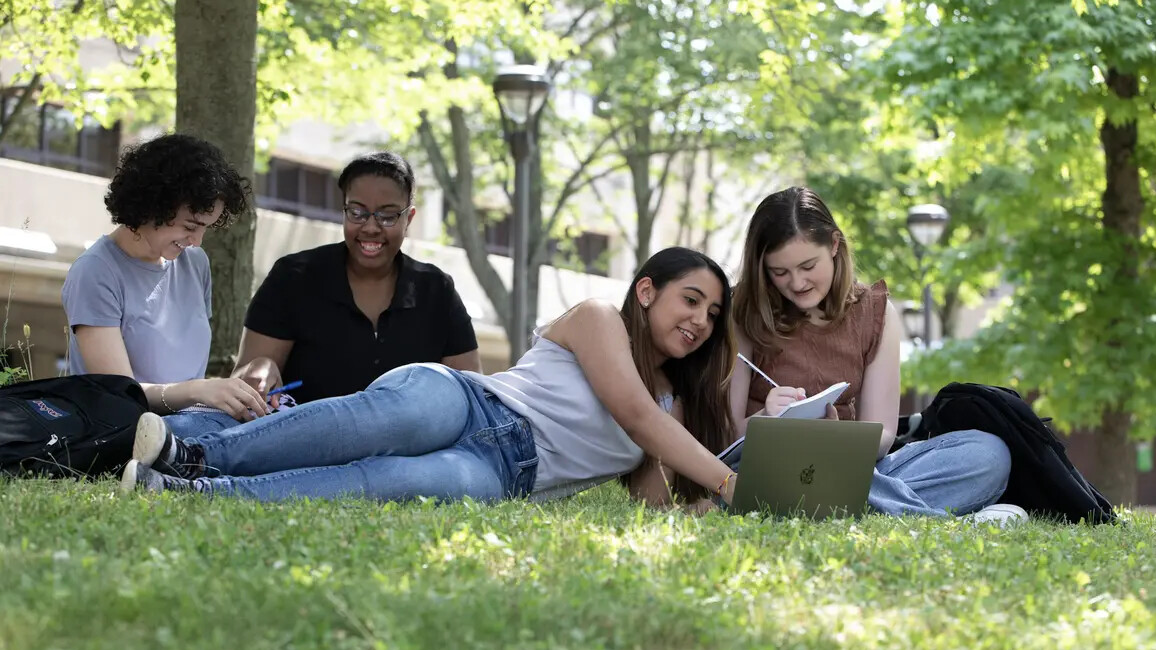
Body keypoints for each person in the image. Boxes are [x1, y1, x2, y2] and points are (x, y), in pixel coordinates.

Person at [120, 247, 740, 511]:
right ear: (647, 291)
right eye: (690, 301)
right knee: (360, 428)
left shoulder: (674, 406)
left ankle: (189, 492)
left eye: (713, 315)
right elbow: (635, 416)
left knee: (381, 481)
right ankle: (193, 451)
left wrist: (712, 500)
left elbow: (650, 500)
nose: (700, 321)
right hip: (469, 403)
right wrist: (728, 479)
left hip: (506, 474)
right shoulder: (599, 317)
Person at [730, 186, 1018, 519]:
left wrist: (836, 437)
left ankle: (832, 503)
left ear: (835, 245)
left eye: (808, 266)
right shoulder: (744, 312)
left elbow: (881, 434)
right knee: (772, 477)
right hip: (766, 465)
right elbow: (725, 434)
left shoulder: (876, 312)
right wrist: (768, 420)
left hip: (855, 469)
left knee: (989, 453)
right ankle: (938, 519)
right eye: (779, 272)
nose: (797, 283)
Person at [167, 151, 483, 438]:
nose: (370, 228)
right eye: (357, 212)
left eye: (387, 216)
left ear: (409, 218)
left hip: (405, 444)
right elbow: (248, 386)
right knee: (204, 422)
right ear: (343, 210)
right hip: (300, 435)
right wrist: (261, 368)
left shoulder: (436, 290)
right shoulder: (294, 277)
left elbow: (471, 396)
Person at [62, 133, 269, 425]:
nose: (196, 241)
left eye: (205, 228)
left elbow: (185, 373)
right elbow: (119, 394)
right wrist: (199, 391)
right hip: (132, 430)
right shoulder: (95, 272)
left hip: (194, 422)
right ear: (152, 207)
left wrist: (229, 393)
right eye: (190, 226)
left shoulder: (195, 263)